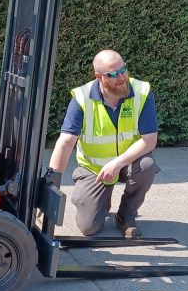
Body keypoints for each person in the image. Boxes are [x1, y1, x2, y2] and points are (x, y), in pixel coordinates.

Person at [46, 49, 159, 239]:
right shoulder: (82, 98)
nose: (121, 77)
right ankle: (100, 199)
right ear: (98, 76)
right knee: (89, 229)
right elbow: (65, 142)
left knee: (147, 165)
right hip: (94, 169)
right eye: (113, 74)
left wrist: (117, 163)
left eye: (123, 69)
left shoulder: (141, 92)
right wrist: (50, 185)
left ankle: (126, 216)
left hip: (126, 164)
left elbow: (149, 140)